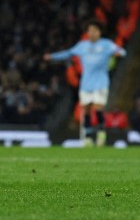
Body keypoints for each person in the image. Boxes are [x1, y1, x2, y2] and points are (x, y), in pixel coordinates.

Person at [44, 19, 126, 147]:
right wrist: (52, 57)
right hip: (86, 83)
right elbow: (68, 53)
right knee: (86, 111)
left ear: (100, 32)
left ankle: (101, 134)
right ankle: (87, 137)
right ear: (87, 32)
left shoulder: (106, 44)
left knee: (98, 108)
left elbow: (122, 51)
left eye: (95, 30)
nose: (93, 33)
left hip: (101, 82)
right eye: (90, 30)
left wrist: (118, 53)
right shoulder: (82, 46)